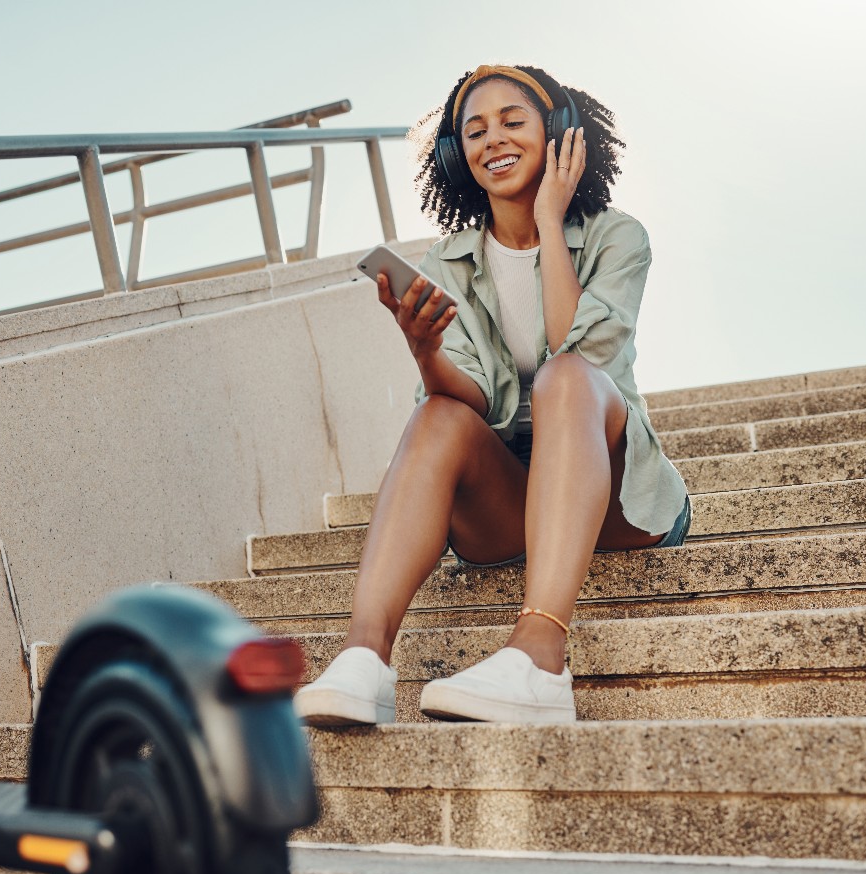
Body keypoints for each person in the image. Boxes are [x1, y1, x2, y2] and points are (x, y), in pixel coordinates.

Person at [295, 64, 690, 726]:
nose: (492, 140)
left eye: (513, 121)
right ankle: (364, 658)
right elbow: (469, 399)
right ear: (456, 156)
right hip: (517, 495)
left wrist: (547, 218)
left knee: (564, 377)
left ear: (559, 133)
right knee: (437, 413)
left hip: (623, 496)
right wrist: (424, 350)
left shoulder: (616, 237)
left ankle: (539, 659)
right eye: (473, 131)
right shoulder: (449, 261)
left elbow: (581, 352)